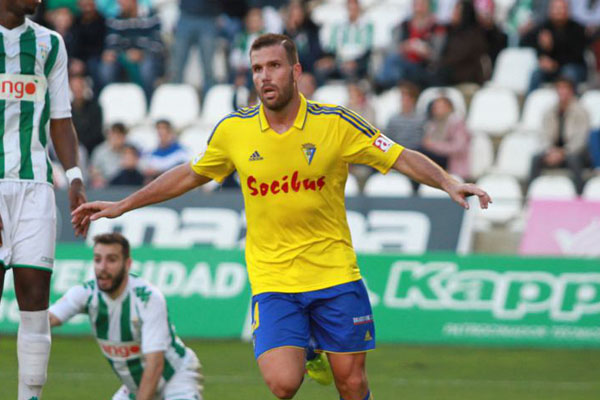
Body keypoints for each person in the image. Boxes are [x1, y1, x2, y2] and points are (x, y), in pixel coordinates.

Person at [72, 33, 491, 400]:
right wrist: (124, 204)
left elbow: (399, 156)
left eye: (273, 66)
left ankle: (325, 356)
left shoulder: (335, 123)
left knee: (351, 384)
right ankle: (311, 352)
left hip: (334, 274)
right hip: (273, 280)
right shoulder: (235, 130)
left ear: (295, 71)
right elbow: (188, 175)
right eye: (256, 69)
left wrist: (449, 183)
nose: (264, 77)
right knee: (282, 384)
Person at [0, 1, 88, 399]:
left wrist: (74, 177)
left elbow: (62, 117)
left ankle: (29, 396)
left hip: (35, 186)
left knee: (35, 299)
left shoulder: (50, 43)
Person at [49, 233, 203, 400]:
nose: (103, 267)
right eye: (98, 259)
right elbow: (50, 318)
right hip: (135, 386)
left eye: (112, 260)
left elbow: (155, 363)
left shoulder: (147, 298)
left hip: (174, 377)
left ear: (127, 264)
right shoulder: (86, 293)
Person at [529, 76, 590, 193]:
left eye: (565, 88)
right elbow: (544, 135)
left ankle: (579, 194)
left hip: (573, 153)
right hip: (553, 152)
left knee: (574, 160)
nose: (562, 92)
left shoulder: (581, 112)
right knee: (535, 159)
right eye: (559, 88)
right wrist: (550, 151)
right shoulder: (549, 111)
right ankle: (530, 196)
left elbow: (581, 139)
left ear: (571, 91)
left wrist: (563, 152)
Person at [523, 0, 587, 92]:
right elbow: (525, 42)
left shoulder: (577, 29)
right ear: (549, 11)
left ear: (568, 10)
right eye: (555, 9)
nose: (558, 12)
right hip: (551, 69)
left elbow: (576, 55)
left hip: (574, 67)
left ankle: (570, 104)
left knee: (568, 73)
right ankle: (530, 103)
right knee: (536, 74)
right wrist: (542, 53)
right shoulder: (544, 27)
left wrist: (555, 62)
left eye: (561, 8)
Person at [89, 122, 128, 188]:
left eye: (120, 135)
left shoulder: (129, 150)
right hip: (105, 187)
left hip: (124, 186)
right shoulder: (100, 151)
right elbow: (93, 171)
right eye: (115, 135)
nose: (118, 139)